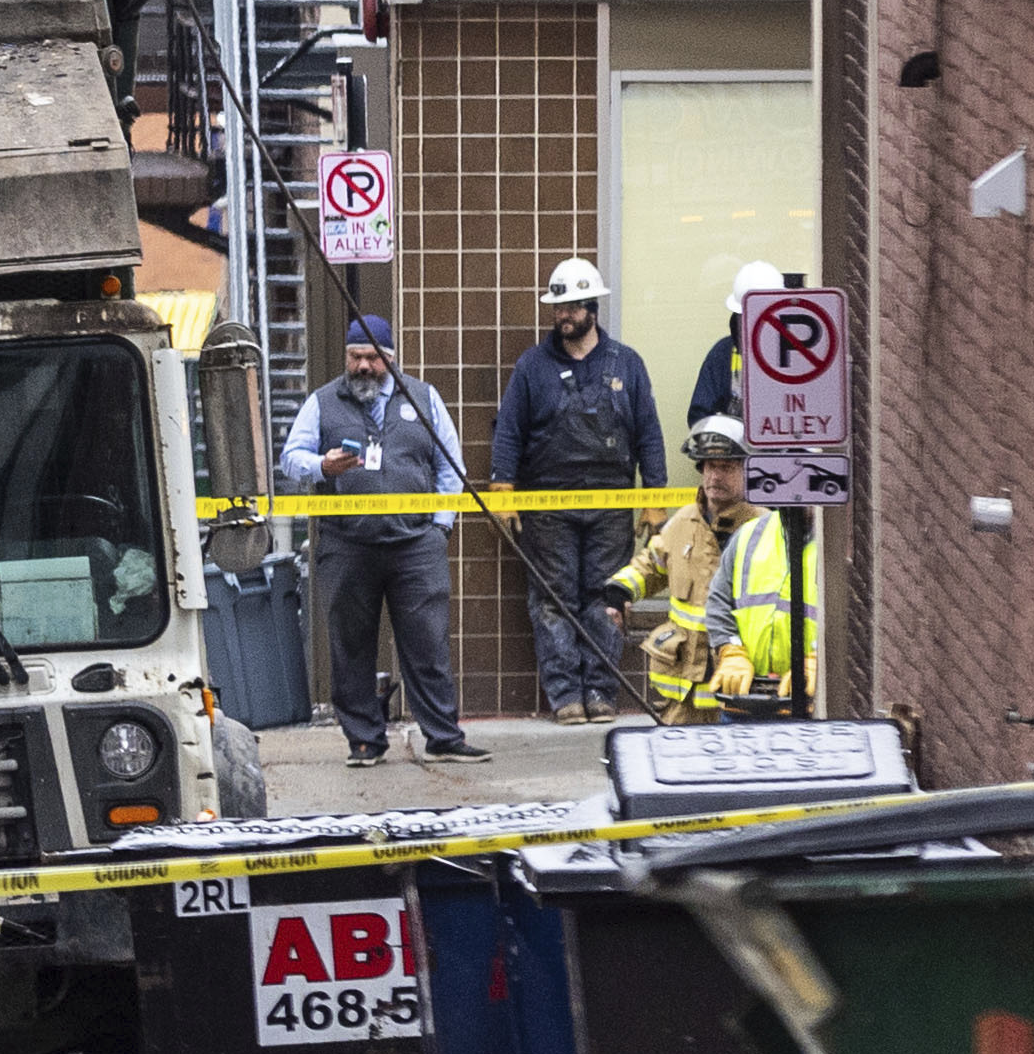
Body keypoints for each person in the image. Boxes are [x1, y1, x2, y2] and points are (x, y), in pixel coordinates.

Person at [280, 314, 473, 767]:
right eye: (355, 357)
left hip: (416, 545)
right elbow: (291, 458)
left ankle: (444, 737)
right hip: (348, 544)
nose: (363, 367)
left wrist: (440, 525)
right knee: (350, 645)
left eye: (372, 358)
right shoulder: (322, 402)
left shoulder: (422, 398)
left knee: (427, 642)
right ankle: (364, 741)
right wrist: (321, 467)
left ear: (390, 358)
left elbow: (451, 467)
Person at [491, 257, 666, 723]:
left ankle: (602, 692)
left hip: (611, 504)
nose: (563, 315)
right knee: (552, 598)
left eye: (571, 306)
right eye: (557, 306)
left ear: (592, 307)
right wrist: (503, 485)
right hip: (548, 506)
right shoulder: (532, 367)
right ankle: (566, 695)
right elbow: (509, 429)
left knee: (605, 597)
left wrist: (653, 498)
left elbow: (648, 433)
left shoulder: (626, 364)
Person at [605, 414, 757, 718]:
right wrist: (619, 590)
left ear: (748, 471)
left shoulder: (763, 527)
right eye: (710, 467)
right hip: (683, 694)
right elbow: (653, 564)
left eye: (727, 468)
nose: (715, 477)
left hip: (737, 689)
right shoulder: (684, 521)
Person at [706, 499, 822, 717]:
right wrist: (731, 650)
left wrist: (820, 658)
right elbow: (718, 601)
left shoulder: (838, 544)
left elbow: (854, 617)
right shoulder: (749, 535)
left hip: (808, 708)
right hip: (744, 703)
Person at [687, 261, 787, 429]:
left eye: (764, 316)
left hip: (787, 453)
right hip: (736, 453)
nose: (756, 324)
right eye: (749, 316)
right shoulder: (723, 353)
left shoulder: (799, 358)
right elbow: (699, 418)